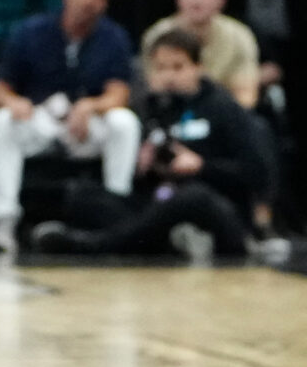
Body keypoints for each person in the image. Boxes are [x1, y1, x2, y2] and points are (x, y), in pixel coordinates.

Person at [32, 31, 272, 263]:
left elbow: (257, 174)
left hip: (217, 209)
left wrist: (202, 167)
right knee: (83, 195)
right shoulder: (152, 109)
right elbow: (147, 184)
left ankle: (94, 246)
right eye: (161, 68)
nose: (169, 76)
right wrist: (144, 166)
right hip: (161, 204)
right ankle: (166, 243)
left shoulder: (223, 107)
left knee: (193, 196)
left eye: (178, 67)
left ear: (198, 67)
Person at [0, 0, 141, 255]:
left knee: (124, 122)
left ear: (105, 3)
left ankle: (115, 213)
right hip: (41, 119)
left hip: (86, 127)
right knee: (2, 122)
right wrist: (14, 102)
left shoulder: (113, 37)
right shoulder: (31, 31)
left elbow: (120, 93)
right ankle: (2, 223)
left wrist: (91, 106)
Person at [140, 0, 260, 110]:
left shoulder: (239, 36)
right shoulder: (157, 36)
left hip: (223, 116)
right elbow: (152, 88)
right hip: (170, 114)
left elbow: (246, 95)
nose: (195, 0)